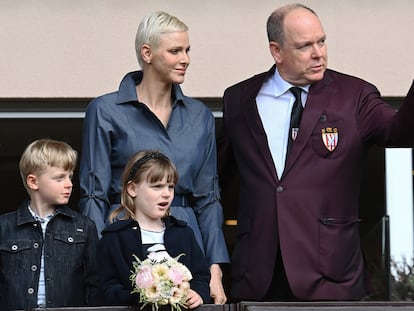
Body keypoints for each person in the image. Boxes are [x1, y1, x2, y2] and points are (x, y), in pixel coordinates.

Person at [217, 3, 414, 302]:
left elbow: (400, 132)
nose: (318, 53)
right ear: (277, 51)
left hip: (331, 275)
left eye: (321, 41)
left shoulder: (355, 95)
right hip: (258, 274)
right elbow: (217, 183)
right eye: (305, 46)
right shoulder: (238, 99)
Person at [79, 11, 229, 303]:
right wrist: (99, 258)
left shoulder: (200, 116)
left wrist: (214, 268)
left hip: (187, 239)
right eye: (175, 51)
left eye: (187, 50)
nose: (185, 58)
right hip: (123, 239)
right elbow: (93, 195)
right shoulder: (105, 110)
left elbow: (208, 198)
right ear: (147, 53)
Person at [98, 150, 211, 307]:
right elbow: (106, 287)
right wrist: (141, 295)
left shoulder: (183, 233)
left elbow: (201, 276)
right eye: (157, 186)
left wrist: (198, 293)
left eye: (170, 187)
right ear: (132, 189)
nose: (166, 194)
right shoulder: (114, 238)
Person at [0, 139, 101, 310]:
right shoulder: (4, 227)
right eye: (60, 177)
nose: (69, 184)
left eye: (70, 176)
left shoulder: (84, 227)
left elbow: (94, 285)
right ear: (33, 182)